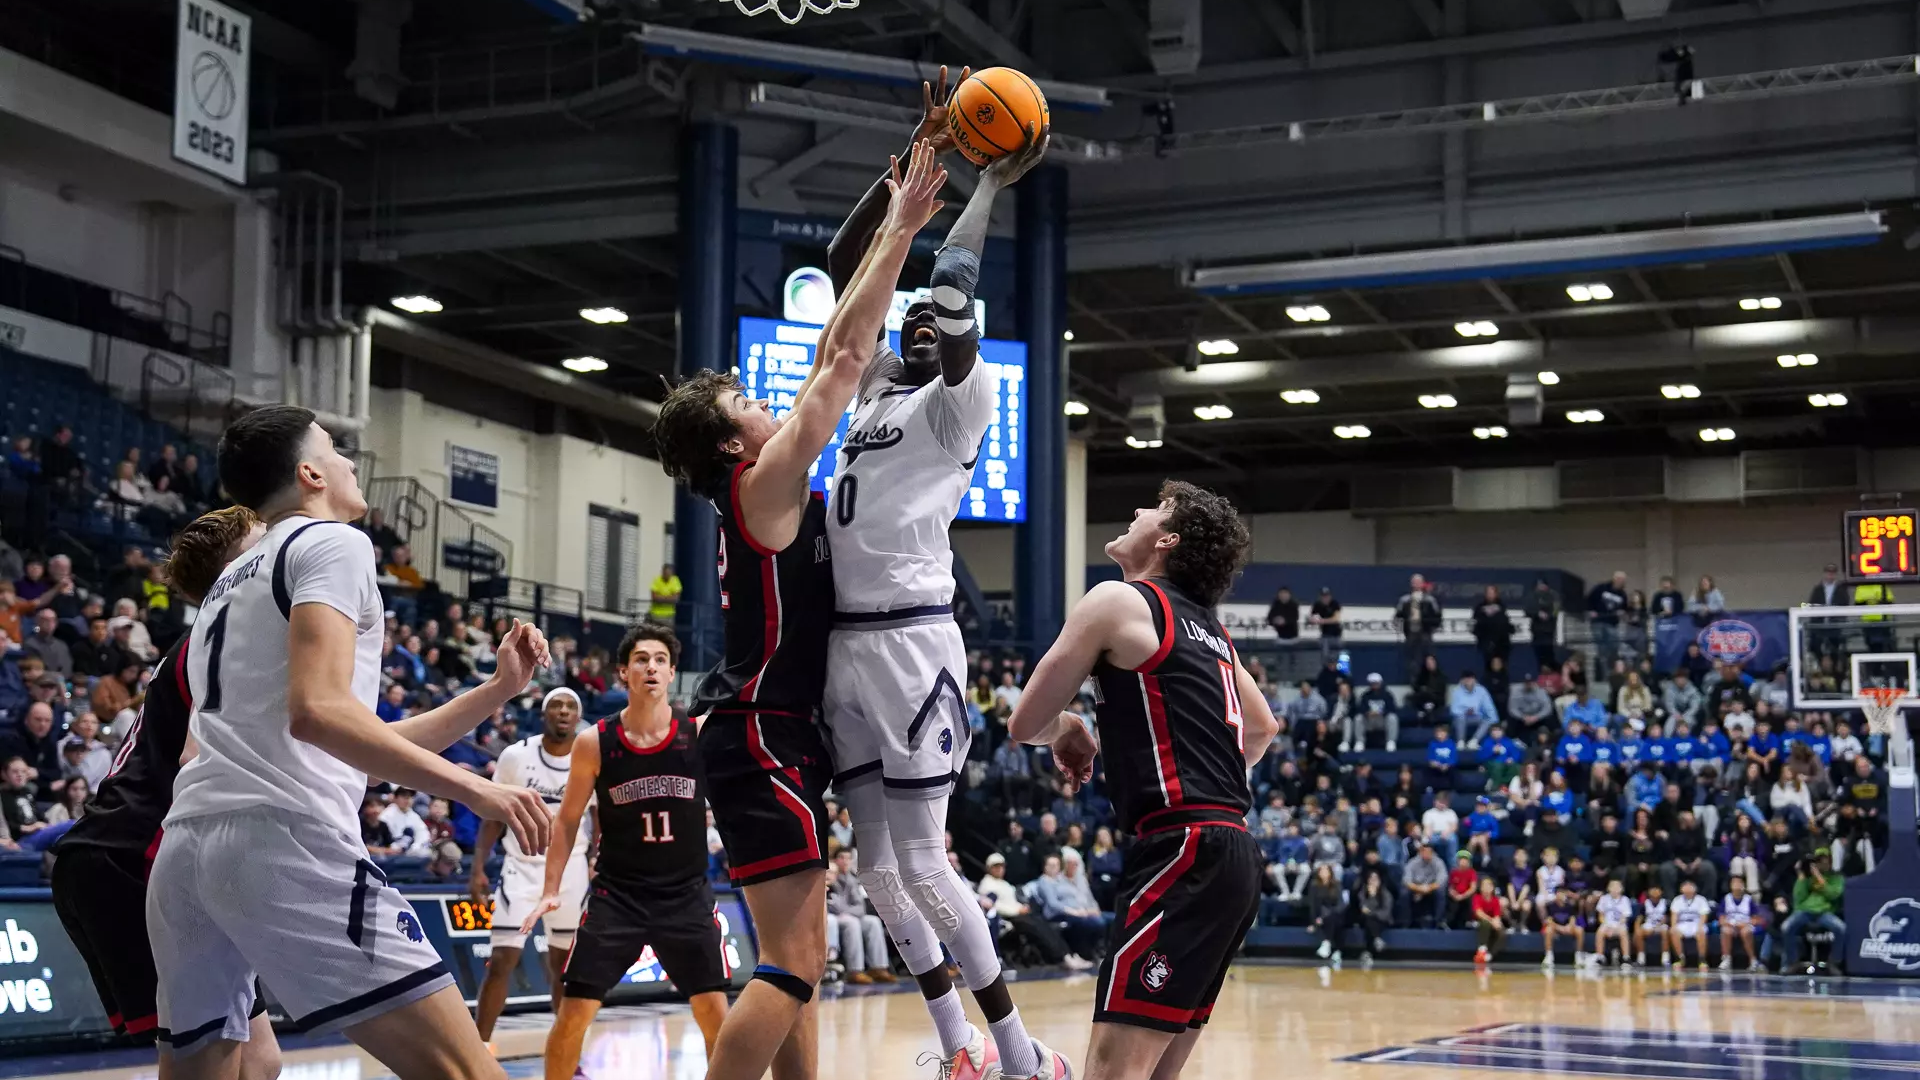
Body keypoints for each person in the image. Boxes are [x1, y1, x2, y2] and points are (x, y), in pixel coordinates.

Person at [650, 138, 947, 1080]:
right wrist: (899, 227)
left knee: (796, 959)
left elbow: (831, 349)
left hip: (770, 734)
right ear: (729, 438)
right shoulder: (761, 487)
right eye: (747, 399)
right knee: (796, 960)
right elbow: (848, 357)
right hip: (762, 730)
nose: (766, 404)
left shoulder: (756, 489)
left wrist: (890, 231)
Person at [145, 406, 554, 1080]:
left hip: (188, 851)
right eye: (336, 449)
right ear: (309, 473)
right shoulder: (333, 542)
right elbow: (321, 716)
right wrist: (477, 789)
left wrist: (495, 691)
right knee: (464, 1069)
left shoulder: (226, 582)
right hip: (283, 843)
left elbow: (339, 736)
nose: (350, 462)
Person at [819, 105, 1061, 1080]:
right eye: (906, 318)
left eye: (932, 320)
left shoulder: (960, 402)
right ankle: (957, 1048)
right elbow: (847, 270)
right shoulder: (874, 388)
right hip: (844, 645)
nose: (917, 322)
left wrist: (991, 183)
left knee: (924, 862)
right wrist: (906, 177)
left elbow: (954, 287)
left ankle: (1018, 1057)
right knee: (875, 868)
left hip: (913, 643)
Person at [1008, 481, 1277, 1080]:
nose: (1136, 511)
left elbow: (1024, 721)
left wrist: (1068, 728)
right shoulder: (1214, 633)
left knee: (1112, 1069)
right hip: (1229, 848)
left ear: (1167, 539)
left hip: (1181, 848)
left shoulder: (1118, 602)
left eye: (1153, 509)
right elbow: (1261, 729)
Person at [48, 507, 272, 1069]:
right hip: (129, 855)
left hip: (133, 850)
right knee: (210, 1060)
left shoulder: (211, 638)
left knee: (259, 1061)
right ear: (240, 567)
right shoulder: (219, 642)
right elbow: (197, 759)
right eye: (264, 543)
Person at [521, 626, 730, 1080]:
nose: (650, 667)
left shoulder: (697, 734)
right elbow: (568, 820)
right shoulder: (595, 742)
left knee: (716, 1013)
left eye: (659, 660)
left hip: (686, 897)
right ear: (623, 672)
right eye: (640, 659)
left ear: (673, 674)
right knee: (574, 1011)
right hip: (619, 897)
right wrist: (551, 888)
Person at [469, 687, 594, 1043]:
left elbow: (600, 818)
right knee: (502, 959)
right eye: (556, 705)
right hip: (521, 867)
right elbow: (493, 815)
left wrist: (599, 858)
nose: (564, 711)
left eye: (571, 706)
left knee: (563, 967)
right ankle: (479, 1050)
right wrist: (478, 866)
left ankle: (568, 1052)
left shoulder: (590, 757)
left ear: (578, 717)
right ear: (543, 714)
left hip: (570, 871)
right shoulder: (514, 757)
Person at [827, 849, 896, 984]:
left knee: (872, 922)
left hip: (848, 916)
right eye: (842, 858)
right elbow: (834, 907)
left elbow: (861, 908)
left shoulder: (852, 879)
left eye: (848, 858)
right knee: (852, 923)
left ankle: (878, 967)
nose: (845, 861)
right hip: (834, 917)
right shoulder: (829, 876)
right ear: (835, 860)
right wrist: (849, 911)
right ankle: (855, 970)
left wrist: (847, 911)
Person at [1776, 848, 1846, 973]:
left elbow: (1833, 895)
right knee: (1786, 927)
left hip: (1825, 913)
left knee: (1841, 928)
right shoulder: (1808, 878)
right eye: (1818, 861)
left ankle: (1834, 962)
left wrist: (1819, 877)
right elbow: (1799, 898)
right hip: (1805, 911)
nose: (1822, 863)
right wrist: (1801, 876)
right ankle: (1792, 962)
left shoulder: (1837, 878)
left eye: (1825, 860)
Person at [1395, 574, 1442, 681]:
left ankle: (1431, 682)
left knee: (1429, 658)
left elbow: (1437, 617)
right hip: (1410, 633)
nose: (1416, 584)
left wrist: (1428, 624)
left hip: (1425, 633)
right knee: (1412, 660)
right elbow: (1398, 615)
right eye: (1414, 582)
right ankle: (1414, 683)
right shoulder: (1404, 599)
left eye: (1418, 582)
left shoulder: (1430, 600)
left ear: (1422, 584)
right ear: (1411, 584)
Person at [1668, 878, 1713, 970]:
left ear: (1695, 889)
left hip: (1696, 923)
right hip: (1683, 923)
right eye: (1685, 886)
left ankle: (1702, 960)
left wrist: (1700, 926)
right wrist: (1673, 926)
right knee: (1673, 931)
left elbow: (1704, 915)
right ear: (1681, 889)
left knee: (1701, 931)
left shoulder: (1701, 899)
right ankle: (1680, 959)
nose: (1687, 889)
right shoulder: (1677, 900)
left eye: (1690, 886)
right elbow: (1674, 915)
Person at [1306, 863, 1345, 964]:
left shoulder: (1337, 884)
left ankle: (1326, 943)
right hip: (1321, 916)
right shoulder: (1314, 886)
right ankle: (1337, 951)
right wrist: (1314, 922)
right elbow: (1313, 905)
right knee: (1332, 921)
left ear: (1330, 872)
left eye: (1326, 870)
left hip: (1336, 914)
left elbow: (1341, 904)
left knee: (1334, 918)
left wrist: (1323, 917)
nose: (1323, 873)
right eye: (1321, 871)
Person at [1719, 875, 1760, 971]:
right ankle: (1726, 959)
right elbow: (1721, 919)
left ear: (1744, 885)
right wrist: (1730, 923)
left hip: (1745, 924)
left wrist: (1744, 923)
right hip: (1730, 924)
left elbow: (1755, 919)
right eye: (1734, 883)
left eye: (1739, 882)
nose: (1737, 885)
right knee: (1725, 930)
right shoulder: (1726, 899)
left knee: (1746, 932)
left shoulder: (1749, 899)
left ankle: (1752, 960)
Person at [1540, 886, 1584, 969]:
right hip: (1556, 928)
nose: (1562, 895)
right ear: (1556, 894)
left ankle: (1579, 956)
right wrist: (1559, 928)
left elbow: (1572, 918)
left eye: (1564, 893)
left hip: (1568, 928)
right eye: (1560, 893)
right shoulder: (1550, 905)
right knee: (1548, 929)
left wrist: (1569, 927)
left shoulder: (1570, 905)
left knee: (1580, 930)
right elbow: (1549, 921)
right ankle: (1549, 957)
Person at [1593, 879, 1634, 966]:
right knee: (1600, 932)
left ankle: (1626, 957)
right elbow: (1600, 916)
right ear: (1609, 888)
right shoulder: (1604, 899)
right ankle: (1600, 957)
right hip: (1606, 923)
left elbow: (1625, 917)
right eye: (1613, 887)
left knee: (1623, 932)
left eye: (1617, 887)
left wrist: (1616, 927)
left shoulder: (1625, 900)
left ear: (1621, 889)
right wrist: (1607, 925)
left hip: (1619, 924)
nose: (1615, 889)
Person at [1471, 586, 1511, 672]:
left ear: (1496, 594)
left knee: (1503, 668)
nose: (1490, 595)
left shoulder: (1502, 606)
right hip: (1486, 644)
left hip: (1502, 644)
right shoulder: (1479, 607)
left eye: (1492, 593)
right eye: (1488, 593)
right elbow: (1477, 622)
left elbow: (1506, 623)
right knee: (1488, 668)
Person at [1471, 874, 1507, 964]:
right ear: (1481, 888)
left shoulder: (1495, 900)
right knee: (1485, 923)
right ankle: (1482, 949)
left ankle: (1489, 955)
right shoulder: (1477, 898)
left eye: (1489, 885)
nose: (1487, 888)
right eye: (1484, 885)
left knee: (1502, 933)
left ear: (1493, 888)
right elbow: (1479, 913)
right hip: (1478, 922)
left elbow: (1497, 915)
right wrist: (1492, 921)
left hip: (1492, 922)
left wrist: (1497, 923)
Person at [1634, 883, 1670, 967]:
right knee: (1639, 933)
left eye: (1657, 890)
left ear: (1661, 892)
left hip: (1661, 925)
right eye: (1653, 890)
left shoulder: (1665, 903)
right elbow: (1639, 918)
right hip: (1649, 924)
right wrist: (1637, 930)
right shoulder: (1645, 903)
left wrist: (1656, 927)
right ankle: (1641, 958)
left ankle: (1665, 959)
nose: (1655, 892)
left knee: (1665, 931)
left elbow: (1667, 918)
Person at [1309, 587, 1343, 662]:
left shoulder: (1335, 604)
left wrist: (1322, 621)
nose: (1325, 598)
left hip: (1336, 635)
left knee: (1340, 656)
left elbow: (1336, 619)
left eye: (1327, 596)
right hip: (1325, 635)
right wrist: (1314, 620)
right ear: (1320, 597)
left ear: (1330, 596)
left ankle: (1340, 672)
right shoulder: (1317, 605)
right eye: (1323, 596)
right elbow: (1311, 618)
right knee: (1325, 657)